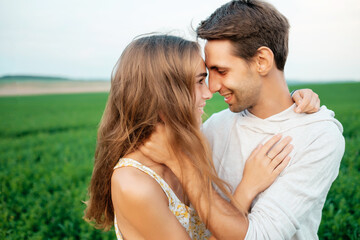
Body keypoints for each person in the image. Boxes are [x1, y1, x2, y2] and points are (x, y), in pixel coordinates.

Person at [140, 1, 345, 239]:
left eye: (222, 71)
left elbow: (259, 235)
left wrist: (184, 167)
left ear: (262, 61)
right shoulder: (216, 125)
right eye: (208, 73)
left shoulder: (318, 136)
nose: (212, 87)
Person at [83, 34, 319, 239]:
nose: (208, 92)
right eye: (198, 82)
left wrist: (292, 99)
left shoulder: (191, 144)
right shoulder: (133, 182)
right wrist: (248, 188)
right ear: (163, 91)